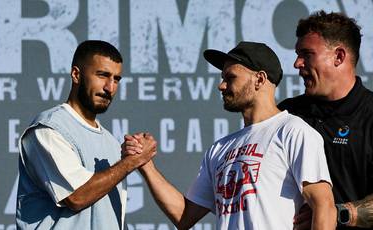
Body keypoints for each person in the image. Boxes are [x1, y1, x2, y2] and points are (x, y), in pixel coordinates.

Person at [124, 41, 336, 229]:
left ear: (259, 80)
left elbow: (323, 206)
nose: (221, 85)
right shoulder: (219, 148)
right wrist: (145, 165)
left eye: (230, 77)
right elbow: (183, 216)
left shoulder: (293, 131)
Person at [16, 40, 156, 229]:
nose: (110, 87)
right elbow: (76, 197)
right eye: (102, 75)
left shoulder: (110, 142)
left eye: (116, 79)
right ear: (76, 74)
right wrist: (130, 163)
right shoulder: (48, 130)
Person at [278, 10, 373, 230]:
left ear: (339, 57)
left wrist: (335, 213)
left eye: (306, 54)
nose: (297, 63)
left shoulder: (369, 115)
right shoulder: (287, 114)